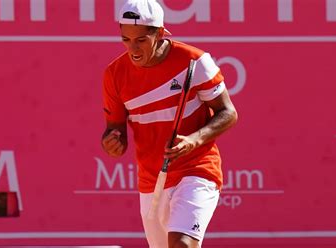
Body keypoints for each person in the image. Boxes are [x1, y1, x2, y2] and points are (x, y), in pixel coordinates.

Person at [100, 0, 238, 247]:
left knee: (182, 243)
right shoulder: (114, 74)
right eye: (126, 40)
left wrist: (195, 139)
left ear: (160, 33)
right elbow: (115, 128)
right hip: (152, 181)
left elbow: (228, 113)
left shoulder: (195, 62)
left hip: (197, 169)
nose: (133, 48)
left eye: (141, 40)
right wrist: (112, 142)